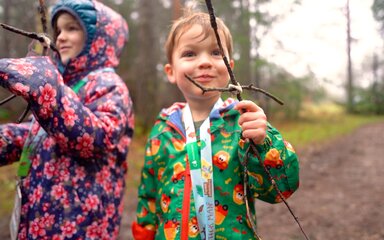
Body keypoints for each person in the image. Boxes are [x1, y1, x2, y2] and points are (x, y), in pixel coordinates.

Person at [131, 10, 299, 240]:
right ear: (170, 71)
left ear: (229, 67)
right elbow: (148, 196)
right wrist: (144, 233)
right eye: (190, 53)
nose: (204, 62)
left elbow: (281, 190)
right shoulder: (162, 130)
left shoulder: (243, 124)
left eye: (215, 52)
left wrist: (264, 141)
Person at [0, 0, 134, 239]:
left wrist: (48, 90)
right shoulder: (64, 87)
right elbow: (33, 135)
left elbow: (96, 138)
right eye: (59, 30)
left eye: (72, 28)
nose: (60, 37)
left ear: (100, 39)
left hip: (81, 226)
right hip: (42, 220)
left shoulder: (110, 86)